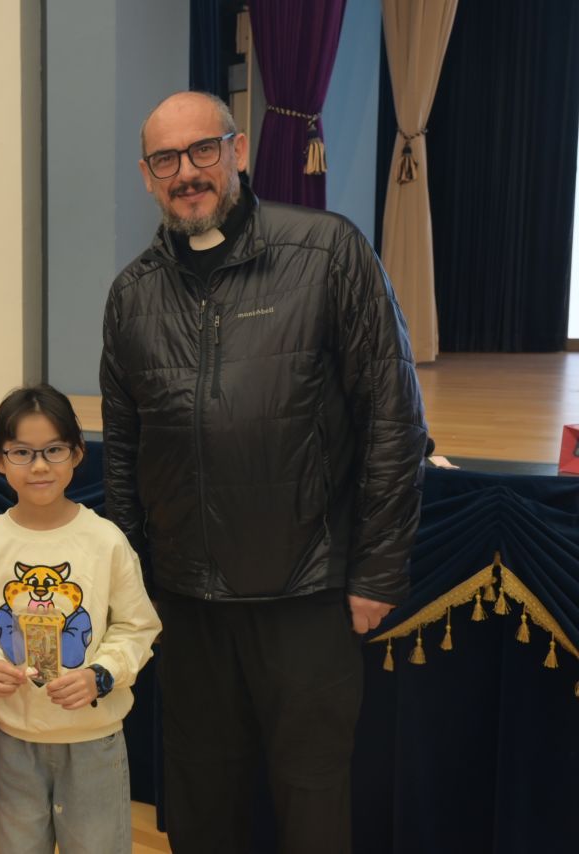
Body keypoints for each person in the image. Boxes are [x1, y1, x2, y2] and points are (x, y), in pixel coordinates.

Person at [100, 91, 427, 853]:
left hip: (307, 591)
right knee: (201, 801)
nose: (187, 173)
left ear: (238, 151)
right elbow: (123, 452)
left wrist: (378, 572)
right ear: (147, 176)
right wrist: (130, 584)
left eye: (203, 151)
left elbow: (392, 419)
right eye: (166, 160)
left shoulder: (328, 252)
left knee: (312, 800)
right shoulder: (131, 295)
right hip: (187, 601)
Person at [0, 384, 160, 853]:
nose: (39, 466)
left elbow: (137, 626)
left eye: (53, 450)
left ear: (77, 453)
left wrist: (101, 675)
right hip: (11, 739)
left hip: (93, 739)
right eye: (22, 452)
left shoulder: (106, 541)